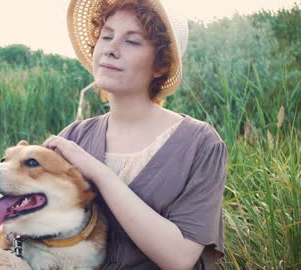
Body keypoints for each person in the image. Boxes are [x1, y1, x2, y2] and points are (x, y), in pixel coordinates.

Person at [43, 0, 227, 269]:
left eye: (132, 41)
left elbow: (180, 257)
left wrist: (98, 172)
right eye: (106, 36)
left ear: (160, 66)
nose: (110, 49)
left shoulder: (200, 144)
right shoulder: (74, 137)